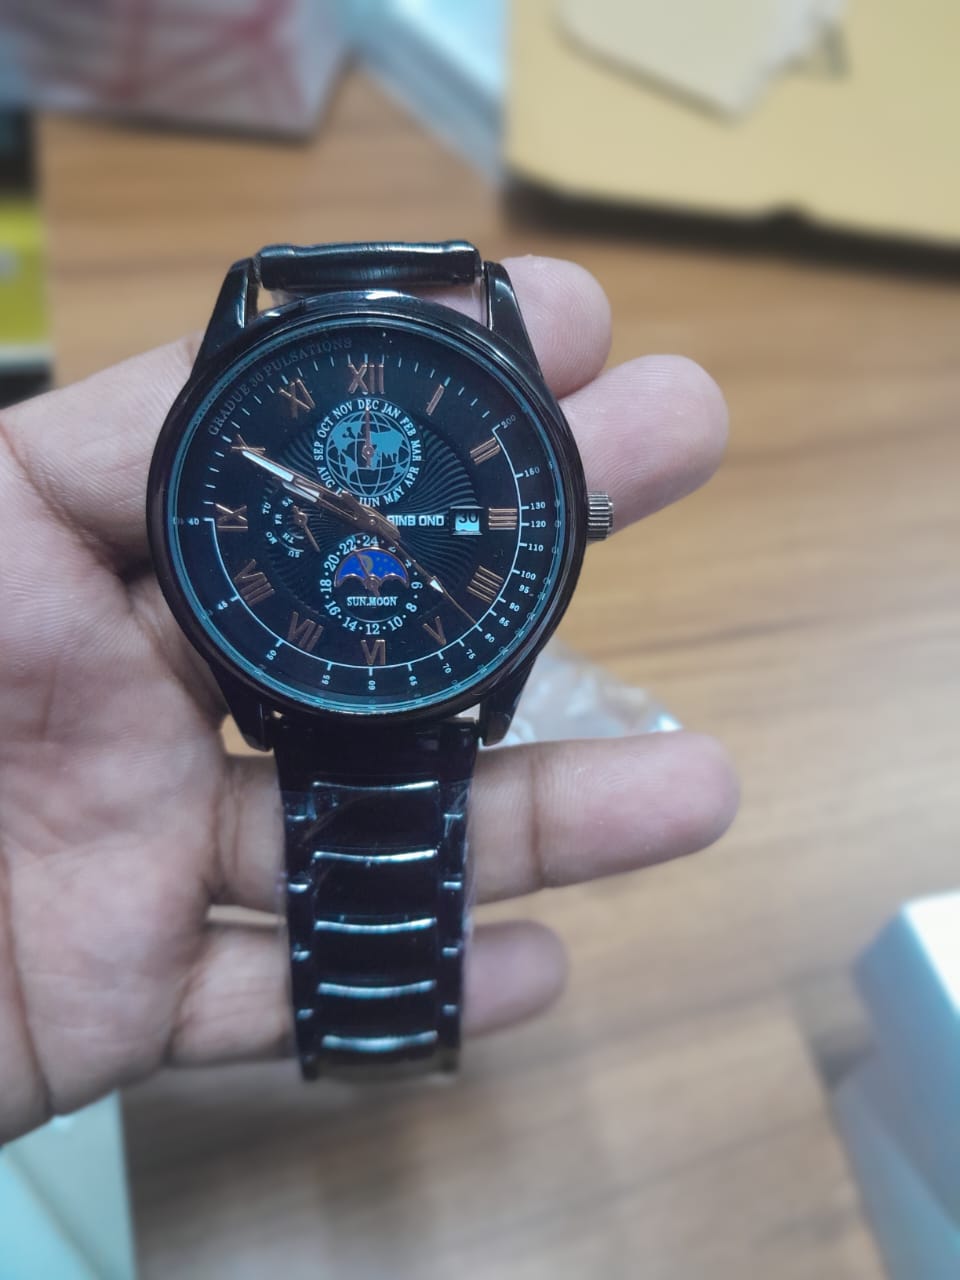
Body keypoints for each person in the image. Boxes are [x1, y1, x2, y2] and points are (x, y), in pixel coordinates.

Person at [0, 256, 738, 1145]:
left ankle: (382, 1040)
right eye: (358, 517)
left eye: (377, 516)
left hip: (428, 681)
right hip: (290, 688)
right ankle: (378, 1045)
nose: (373, 526)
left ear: (583, 515)